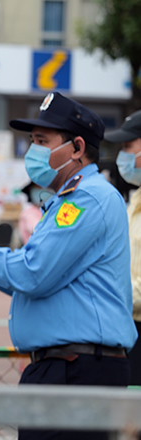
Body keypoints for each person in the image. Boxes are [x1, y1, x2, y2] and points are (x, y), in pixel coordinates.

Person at [0, 92, 137, 440]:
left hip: (77, 369)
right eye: (31, 141)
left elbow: (30, 274)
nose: (33, 151)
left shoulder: (86, 199)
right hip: (66, 366)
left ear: (77, 147)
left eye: (41, 141)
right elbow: (27, 274)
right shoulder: (69, 200)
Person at [105, 109, 141, 387]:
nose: (123, 156)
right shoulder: (133, 201)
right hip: (127, 325)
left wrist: (109, 294)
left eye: (129, 147)